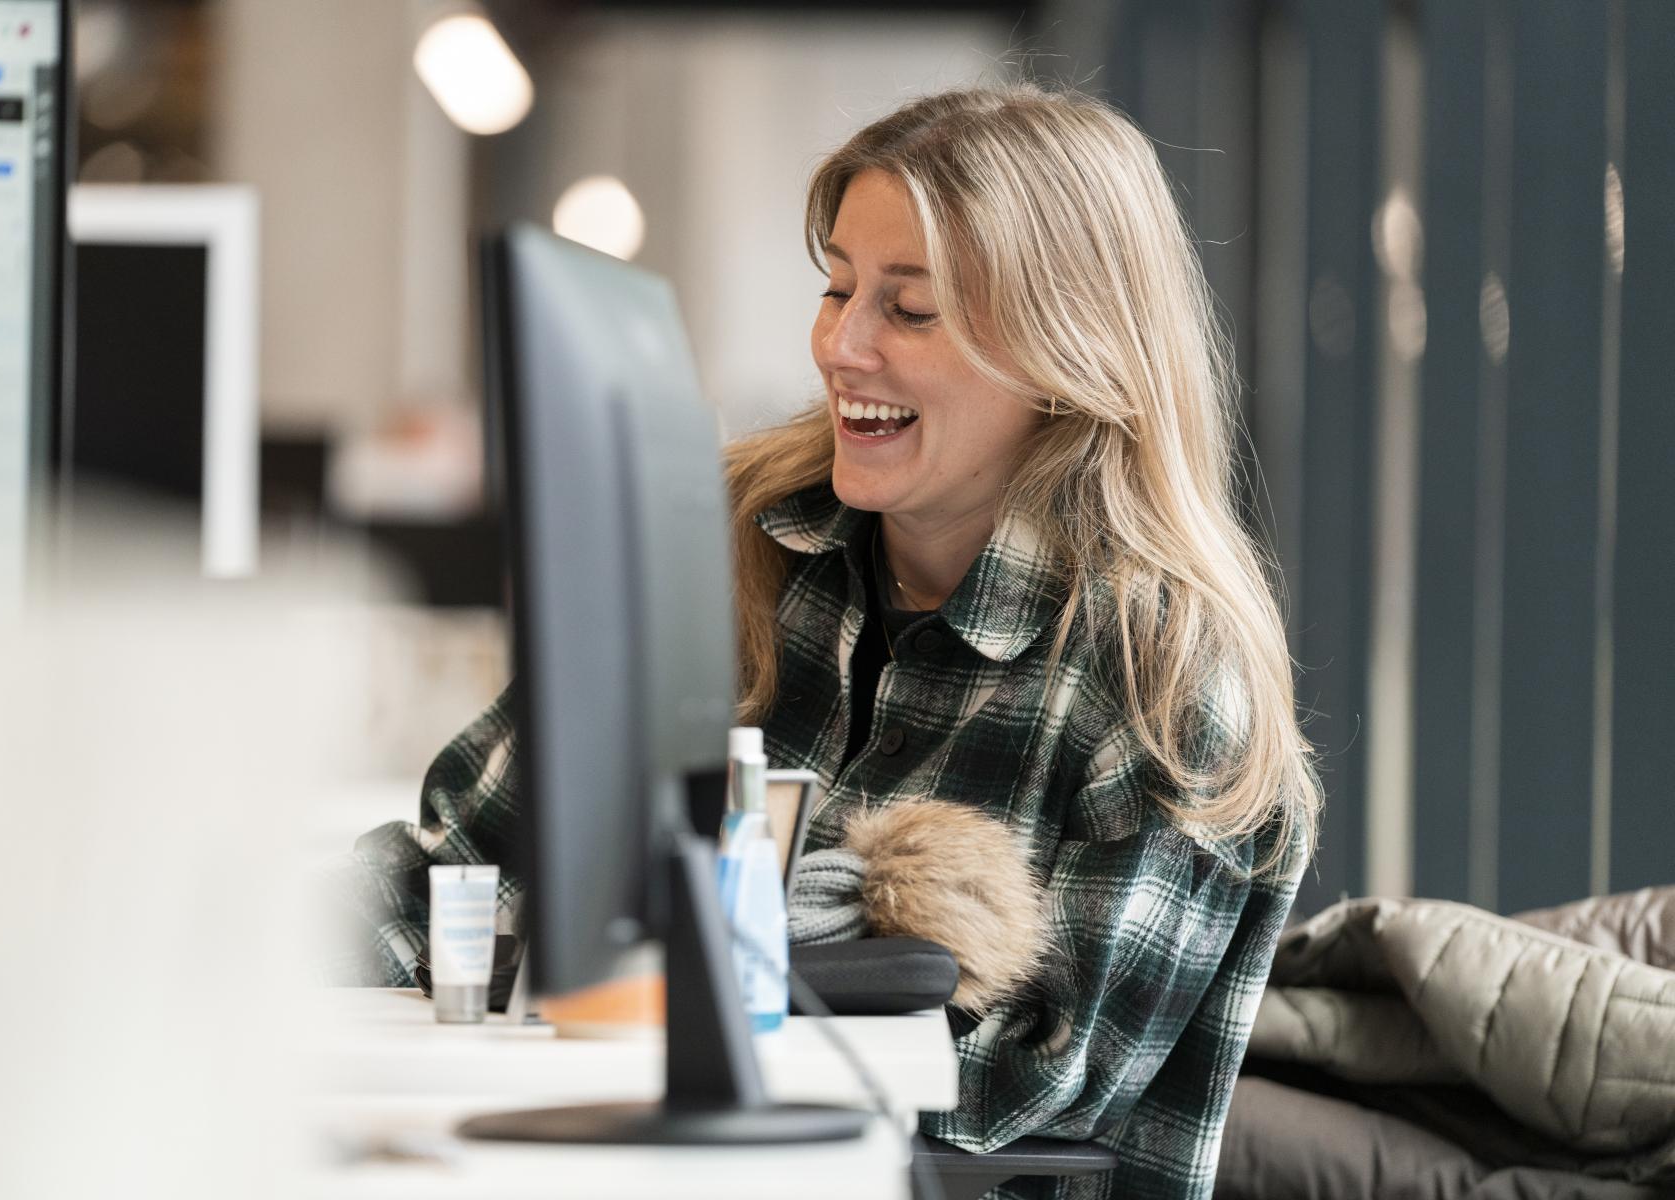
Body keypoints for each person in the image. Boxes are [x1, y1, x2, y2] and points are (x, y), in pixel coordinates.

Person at [337, 82, 1322, 1200]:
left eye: (909, 310)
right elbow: (458, 856)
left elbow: (1013, 1097)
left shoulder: (1168, 677)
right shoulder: (738, 538)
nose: (842, 346)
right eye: (837, 288)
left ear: (1066, 350)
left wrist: (757, 931)